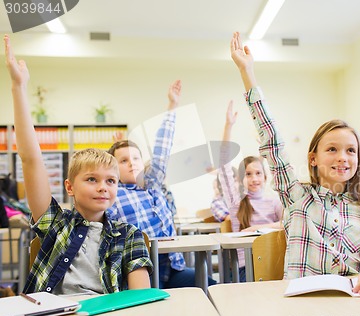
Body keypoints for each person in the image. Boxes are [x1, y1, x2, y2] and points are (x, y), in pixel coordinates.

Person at [230, 32, 360, 295]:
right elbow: (272, 140)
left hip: (355, 306)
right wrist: (248, 73)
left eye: (351, 150)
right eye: (332, 149)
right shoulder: (298, 197)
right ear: (313, 159)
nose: (343, 157)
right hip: (303, 307)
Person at [4, 34, 152, 294]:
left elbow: (140, 298)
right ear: (70, 187)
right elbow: (30, 159)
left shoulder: (130, 236)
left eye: (111, 181)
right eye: (91, 179)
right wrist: (19, 87)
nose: (103, 187)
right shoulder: (56, 224)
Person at [107, 81, 215, 289]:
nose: (132, 163)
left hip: (170, 269)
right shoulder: (113, 194)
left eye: (136, 158)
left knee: (210, 286)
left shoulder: (152, 185)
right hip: (137, 276)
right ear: (113, 167)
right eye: (124, 161)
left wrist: (172, 107)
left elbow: (162, 150)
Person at [218, 100, 283, 281]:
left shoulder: (274, 201)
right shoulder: (236, 202)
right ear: (240, 178)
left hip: (275, 263)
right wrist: (228, 126)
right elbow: (223, 165)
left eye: (258, 173)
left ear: (264, 176)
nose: (254, 178)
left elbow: (288, 223)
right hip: (247, 267)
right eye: (248, 174)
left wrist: (257, 228)